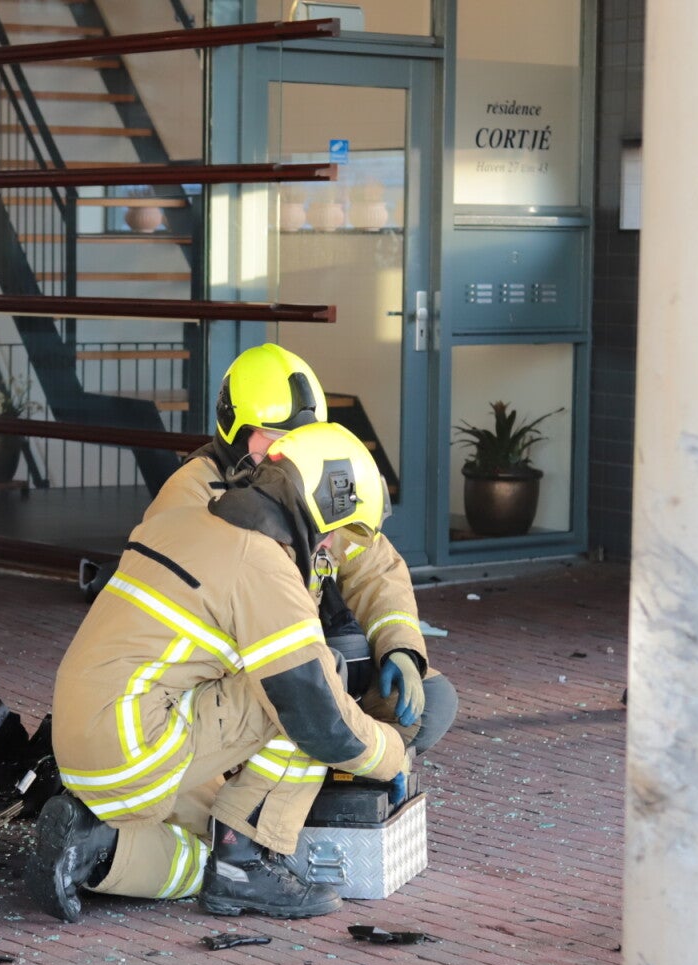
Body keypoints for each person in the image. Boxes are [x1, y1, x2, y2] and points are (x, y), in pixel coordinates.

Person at [29, 422, 410, 923]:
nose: (335, 547)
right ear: (323, 509)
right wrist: (391, 756)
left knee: (210, 842)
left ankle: (95, 846)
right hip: (137, 748)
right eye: (340, 531)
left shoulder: (187, 520)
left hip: (83, 748)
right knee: (311, 684)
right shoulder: (262, 563)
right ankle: (246, 863)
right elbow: (318, 716)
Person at [142, 342, 458, 753]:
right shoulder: (192, 494)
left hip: (312, 660)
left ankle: (346, 758)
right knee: (315, 695)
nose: (285, 454)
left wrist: (399, 648)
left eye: (299, 439)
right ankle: (341, 760)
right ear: (234, 429)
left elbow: (374, 567)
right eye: (273, 440)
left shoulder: (311, 471)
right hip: (243, 671)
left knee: (432, 700)